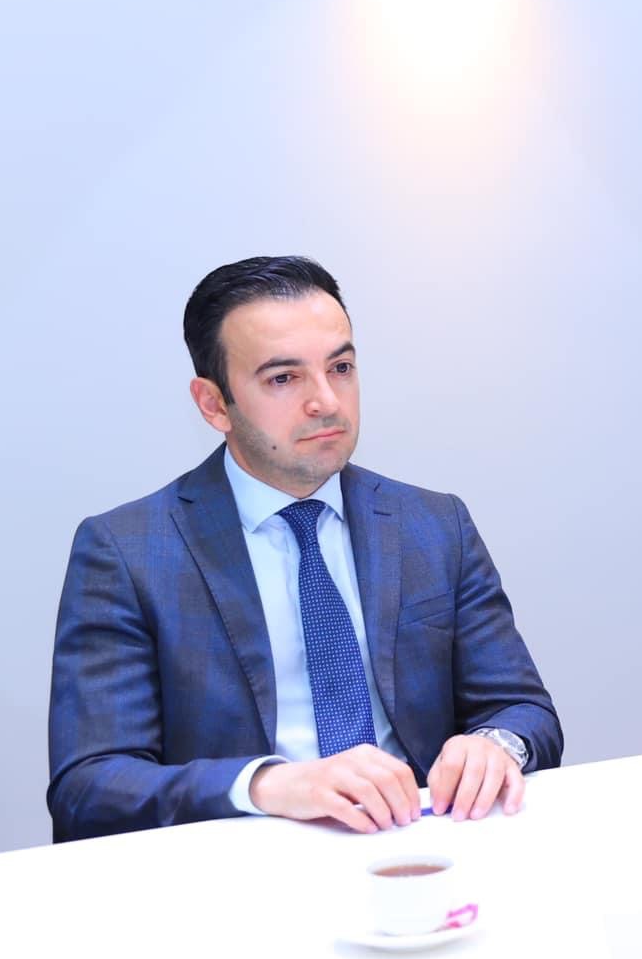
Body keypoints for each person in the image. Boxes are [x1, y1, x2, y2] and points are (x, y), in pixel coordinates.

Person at [47, 257, 561, 841]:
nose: (327, 401)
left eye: (340, 368)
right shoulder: (128, 551)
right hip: (244, 861)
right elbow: (89, 785)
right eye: (283, 379)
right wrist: (267, 785)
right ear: (213, 404)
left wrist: (495, 745)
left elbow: (525, 712)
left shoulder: (434, 524)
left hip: (422, 842)